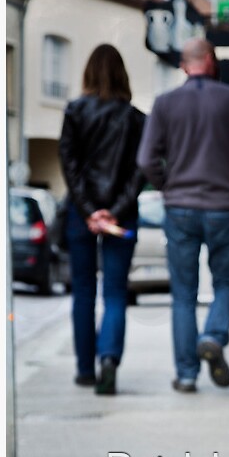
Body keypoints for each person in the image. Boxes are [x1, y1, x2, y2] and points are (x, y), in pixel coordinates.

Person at [137, 38, 229, 393]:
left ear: (183, 65)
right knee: (226, 283)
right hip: (223, 206)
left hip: (179, 208)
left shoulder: (164, 104)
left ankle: (187, 374)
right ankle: (213, 334)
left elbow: (146, 160)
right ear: (209, 60)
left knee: (183, 293)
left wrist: (168, 187)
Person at [59, 44, 145, 395]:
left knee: (82, 291)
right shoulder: (137, 118)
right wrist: (115, 210)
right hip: (120, 217)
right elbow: (140, 173)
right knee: (114, 292)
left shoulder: (75, 111)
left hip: (82, 217)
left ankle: (85, 369)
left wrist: (88, 210)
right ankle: (108, 359)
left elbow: (69, 165)